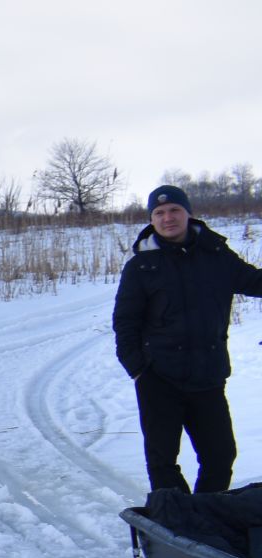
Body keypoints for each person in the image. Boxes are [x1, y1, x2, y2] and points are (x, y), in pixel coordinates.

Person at [112, 183, 262, 496]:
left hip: (208, 376)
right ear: (152, 220)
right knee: (163, 461)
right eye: (159, 212)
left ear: (188, 214)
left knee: (220, 456)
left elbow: (253, 281)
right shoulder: (141, 266)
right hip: (159, 378)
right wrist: (138, 368)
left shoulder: (217, 256)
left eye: (174, 210)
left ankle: (207, 514)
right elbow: (125, 322)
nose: (168, 218)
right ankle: (176, 521)